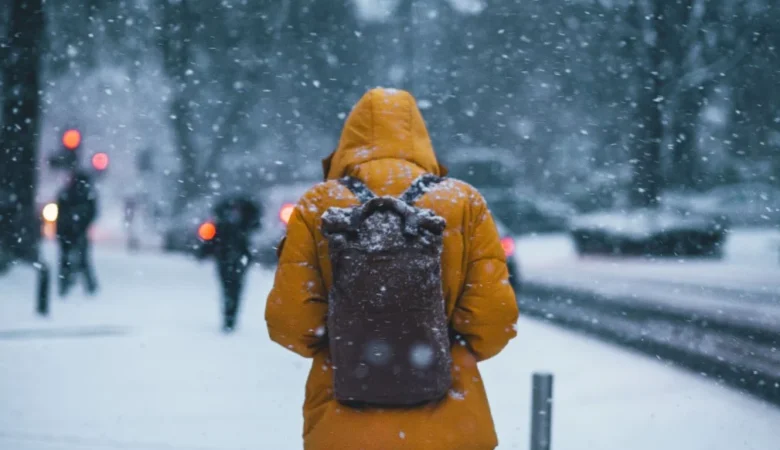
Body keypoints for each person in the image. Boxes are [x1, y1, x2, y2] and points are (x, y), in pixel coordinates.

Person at [265, 88, 519, 450]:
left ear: (348, 141)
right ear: (419, 138)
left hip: (342, 426)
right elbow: (494, 321)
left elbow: (291, 324)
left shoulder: (318, 205)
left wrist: (349, 341)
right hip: (449, 427)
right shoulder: (462, 202)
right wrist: (436, 346)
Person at [199, 196, 261, 332]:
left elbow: (211, 240)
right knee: (232, 288)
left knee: (230, 288)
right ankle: (230, 317)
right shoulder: (242, 222)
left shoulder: (232, 221)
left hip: (229, 258)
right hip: (231, 258)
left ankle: (229, 317)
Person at [56, 170, 98, 297]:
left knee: (66, 260)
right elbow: (92, 213)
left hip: (66, 232)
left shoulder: (66, 193)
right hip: (76, 232)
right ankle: (89, 286)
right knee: (83, 260)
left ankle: (64, 285)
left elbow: (61, 213)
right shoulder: (87, 195)